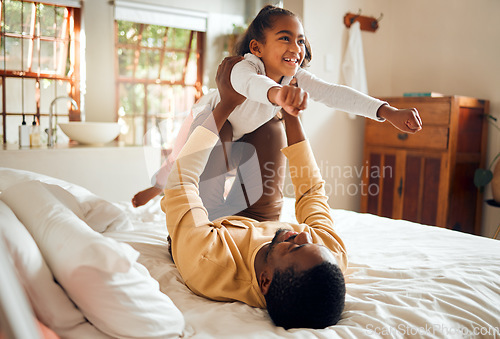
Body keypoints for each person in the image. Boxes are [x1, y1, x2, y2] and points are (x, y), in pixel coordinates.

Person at [132, 4, 422, 208]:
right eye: (285, 39)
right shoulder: (244, 67)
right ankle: (158, 188)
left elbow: (334, 93)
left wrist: (387, 112)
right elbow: (250, 86)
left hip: (246, 137)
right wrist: (278, 96)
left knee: (269, 136)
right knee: (181, 158)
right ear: (257, 47)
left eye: (300, 41)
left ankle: (244, 212)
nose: (296, 48)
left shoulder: (294, 77)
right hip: (211, 127)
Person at [162, 55, 347, 329]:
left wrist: (226, 103)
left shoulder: (207, 261)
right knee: (272, 128)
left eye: (295, 246)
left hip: (211, 226)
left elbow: (180, 183)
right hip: (260, 221)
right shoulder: (327, 258)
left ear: (265, 281)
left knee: (219, 126)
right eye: (311, 242)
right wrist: (291, 115)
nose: (305, 234)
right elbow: (312, 193)